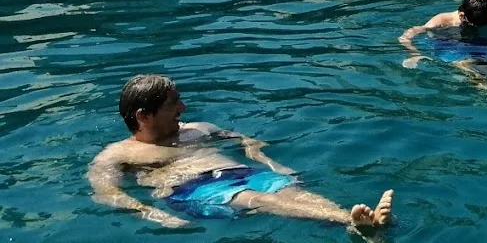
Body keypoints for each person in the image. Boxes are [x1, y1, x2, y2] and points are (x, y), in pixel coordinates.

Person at [88, 75, 394, 237]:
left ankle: (357, 224)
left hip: (242, 173)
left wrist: (273, 164)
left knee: (296, 193)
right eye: (173, 104)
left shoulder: (197, 128)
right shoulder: (117, 154)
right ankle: (349, 222)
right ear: (143, 115)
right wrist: (153, 215)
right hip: (195, 189)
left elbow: (246, 141)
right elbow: (106, 193)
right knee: (257, 200)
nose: (183, 109)